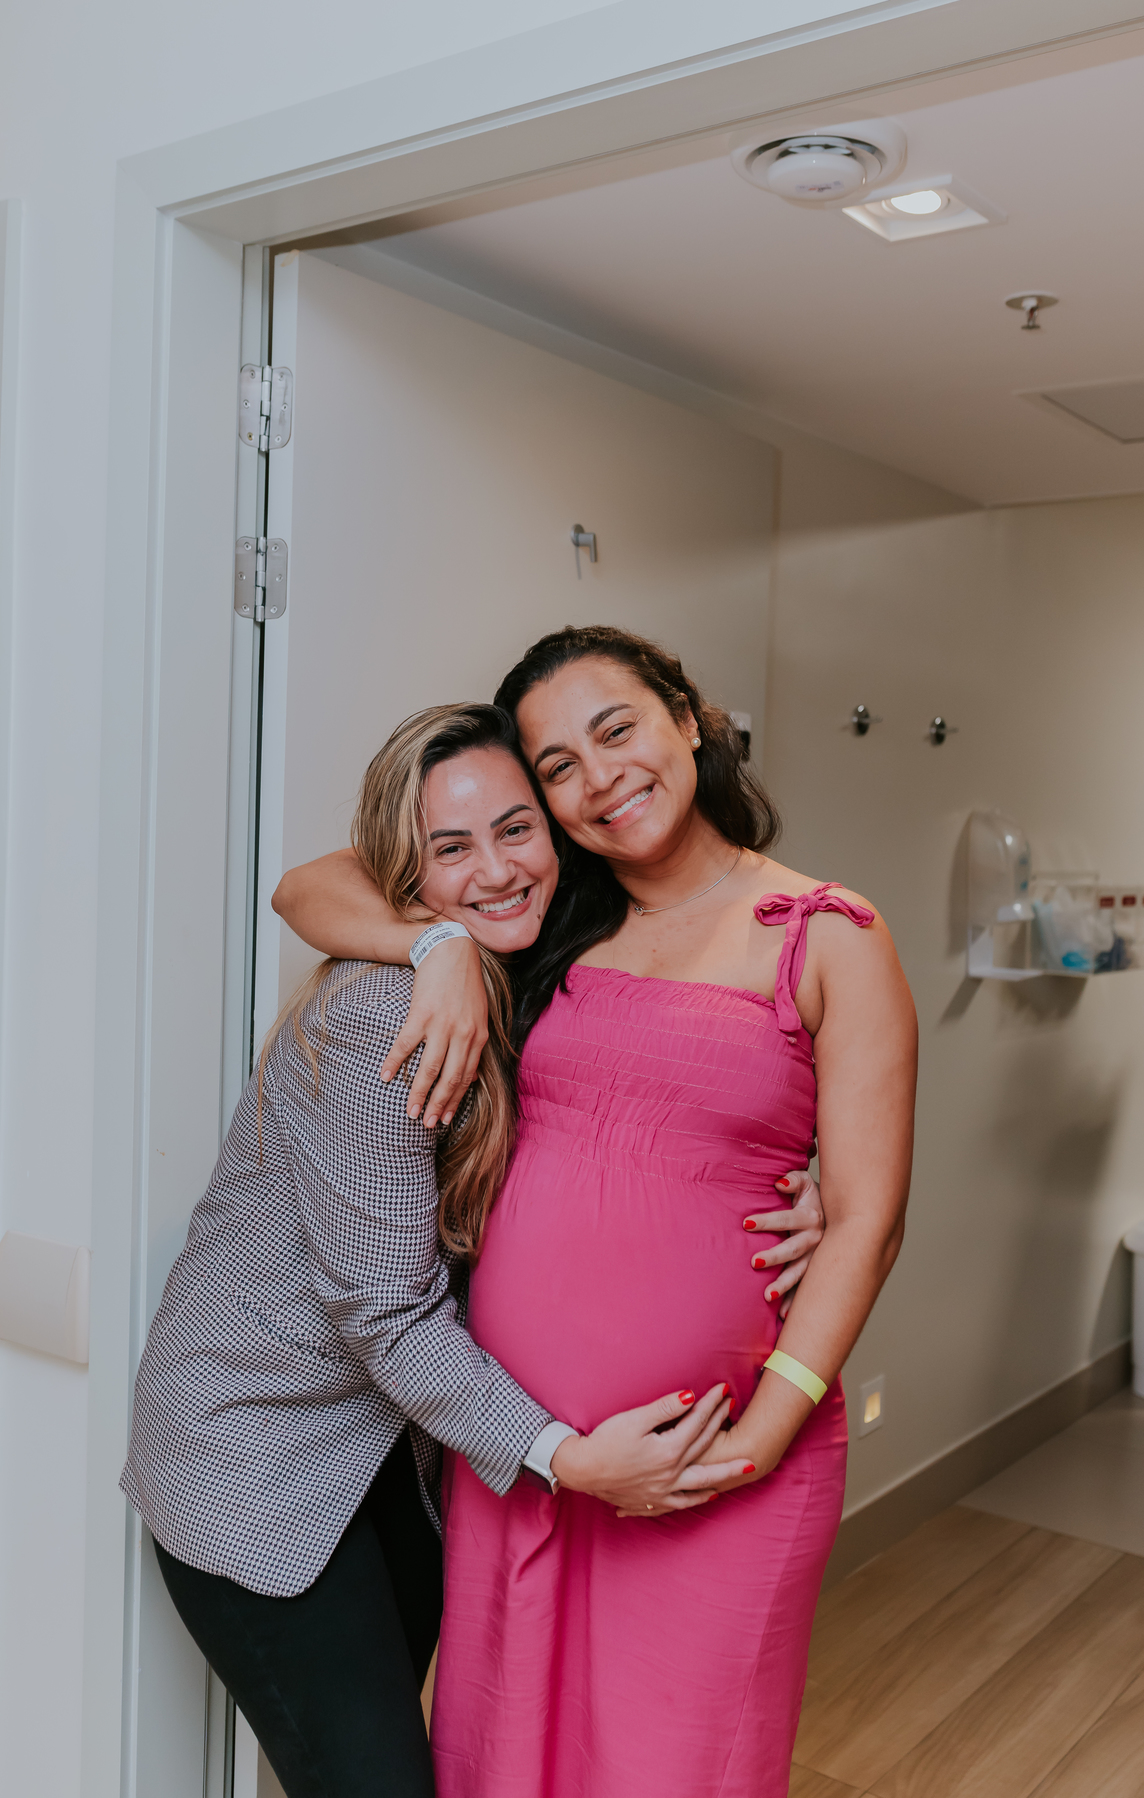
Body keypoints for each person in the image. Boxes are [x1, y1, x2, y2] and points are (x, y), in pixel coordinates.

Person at [275, 625, 917, 1798]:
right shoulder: (543, 913)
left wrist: (763, 1436)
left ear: (689, 717)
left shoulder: (829, 933)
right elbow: (305, 886)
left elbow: (868, 1219)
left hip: (716, 1459)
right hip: (525, 1455)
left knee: (680, 1766)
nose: (597, 774)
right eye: (556, 765)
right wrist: (437, 946)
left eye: (615, 728)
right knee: (502, 1757)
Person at [121, 702, 755, 1798]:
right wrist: (570, 1456)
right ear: (403, 867)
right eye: (447, 849)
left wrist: (806, 1187)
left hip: (388, 1462)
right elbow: (388, 1317)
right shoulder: (384, 1016)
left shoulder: (542, 956)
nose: (497, 869)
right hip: (255, 1461)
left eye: (518, 828)